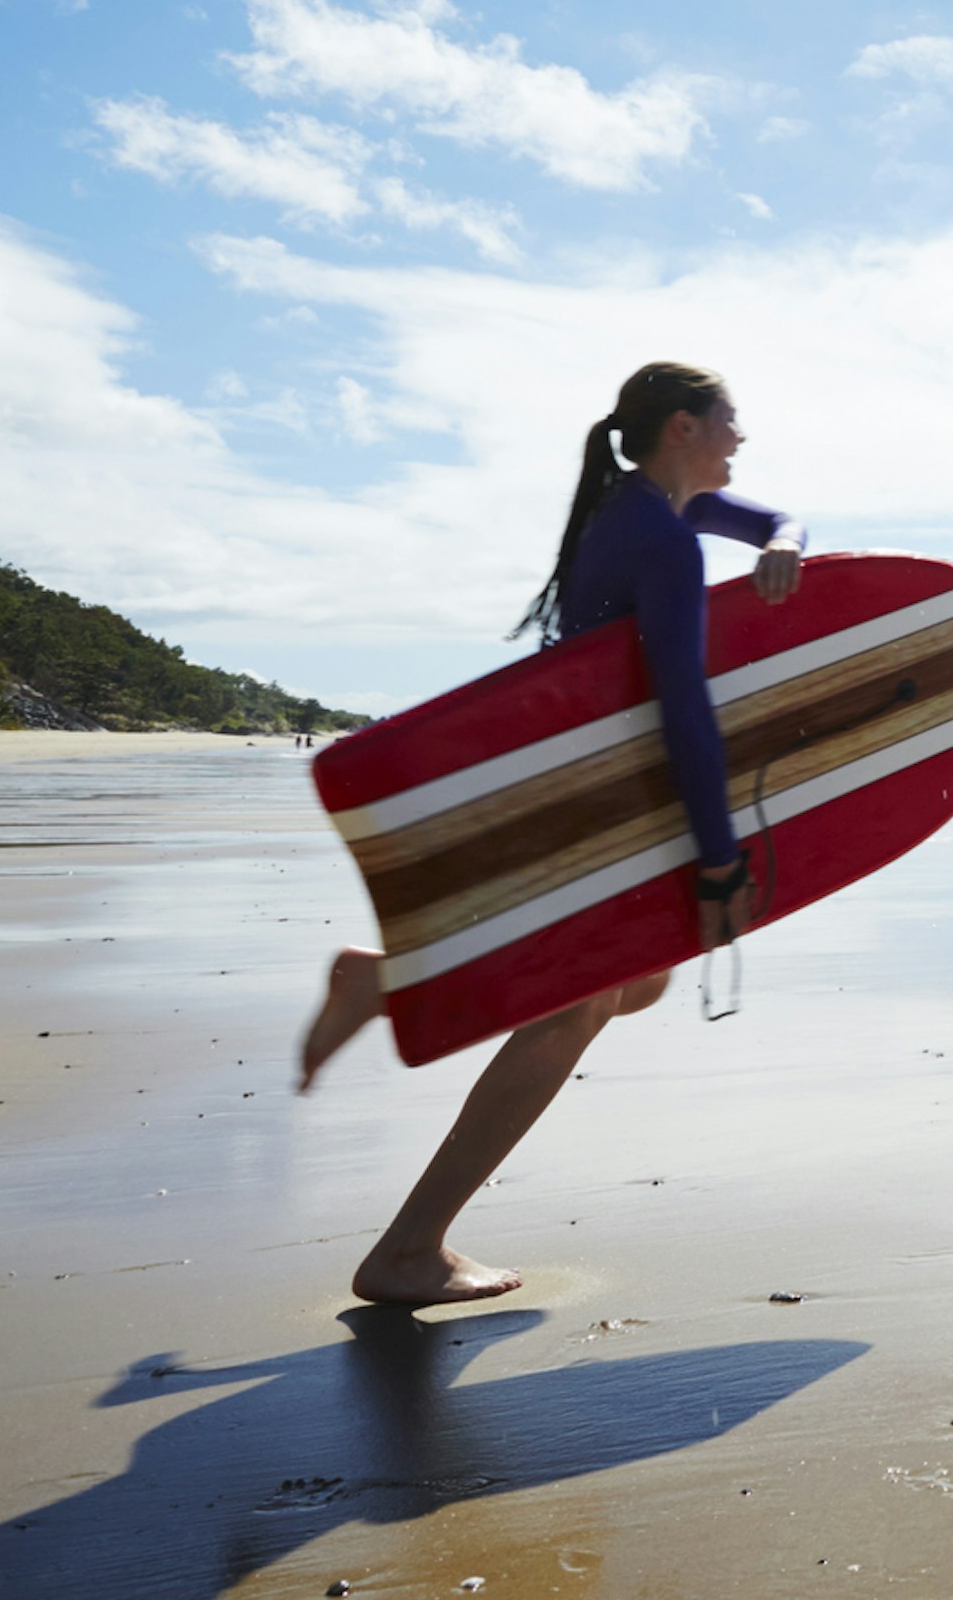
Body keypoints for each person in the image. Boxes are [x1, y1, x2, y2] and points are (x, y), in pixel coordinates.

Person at [296, 361, 806, 1306]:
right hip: (611, 795)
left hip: (596, 785)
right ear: (685, 428)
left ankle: (386, 981)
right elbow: (683, 705)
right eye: (731, 421)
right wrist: (719, 853)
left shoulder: (645, 511)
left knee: (638, 983)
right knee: (581, 1002)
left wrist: (783, 540)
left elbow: (777, 519)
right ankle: (409, 1248)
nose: (742, 438)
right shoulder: (662, 534)